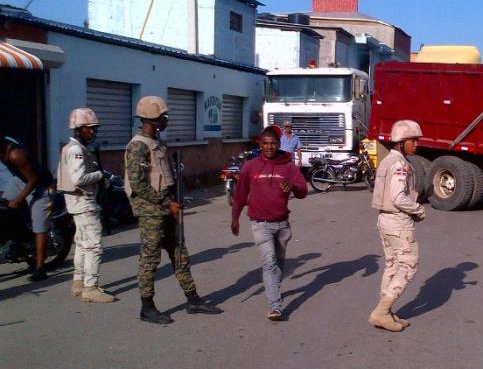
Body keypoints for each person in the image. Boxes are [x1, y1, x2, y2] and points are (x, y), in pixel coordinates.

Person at [124, 95, 222, 324]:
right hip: (151, 210)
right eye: (163, 117)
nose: (166, 121)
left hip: (165, 206)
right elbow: (138, 184)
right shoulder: (138, 146)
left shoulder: (156, 143)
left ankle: (193, 299)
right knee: (150, 259)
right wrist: (166, 202)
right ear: (152, 119)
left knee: (180, 254)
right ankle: (147, 308)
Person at [231, 125, 308, 320]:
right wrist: (235, 218)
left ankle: (275, 288)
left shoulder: (288, 166)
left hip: (282, 224)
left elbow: (303, 191)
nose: (269, 147)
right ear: (260, 144)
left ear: (279, 144)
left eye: (273, 143)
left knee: (279, 263)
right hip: (260, 224)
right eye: (265, 143)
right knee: (269, 264)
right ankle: (275, 305)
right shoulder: (250, 166)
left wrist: (292, 186)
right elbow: (240, 195)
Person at [369, 120, 426, 332]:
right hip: (398, 222)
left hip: (385, 220)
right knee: (409, 265)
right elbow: (398, 197)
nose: (416, 144)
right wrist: (418, 210)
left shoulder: (387, 160)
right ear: (401, 142)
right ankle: (381, 312)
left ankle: (387, 312)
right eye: (412, 140)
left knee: (392, 265)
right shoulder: (400, 165)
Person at [56, 108, 115, 303]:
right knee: (94, 246)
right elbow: (79, 178)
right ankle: (91, 287)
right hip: (84, 202)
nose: (93, 132)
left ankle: (79, 282)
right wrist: (101, 175)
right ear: (79, 128)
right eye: (90, 128)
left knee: (82, 244)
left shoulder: (72, 148)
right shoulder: (76, 150)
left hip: (78, 202)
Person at [0, 136, 54, 281]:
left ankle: (40, 269)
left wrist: (18, 200)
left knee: (39, 226)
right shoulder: (2, 151)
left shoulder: (15, 154)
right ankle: (15, 237)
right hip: (20, 180)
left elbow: (33, 180)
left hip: (41, 186)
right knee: (4, 207)